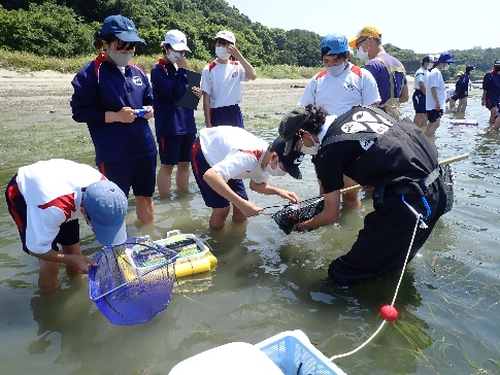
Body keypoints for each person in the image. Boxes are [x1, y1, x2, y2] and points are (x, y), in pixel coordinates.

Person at [278, 105, 446, 286]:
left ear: (303, 134)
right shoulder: (360, 111)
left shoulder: (327, 152)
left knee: (341, 274)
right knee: (395, 262)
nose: (301, 150)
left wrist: (301, 226)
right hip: (437, 188)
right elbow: (391, 145)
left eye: (297, 146)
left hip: (409, 204)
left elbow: (331, 215)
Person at [70, 14, 157, 224]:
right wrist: (115, 116)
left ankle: (147, 238)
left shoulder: (137, 70)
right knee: (113, 203)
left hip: (145, 149)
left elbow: (150, 99)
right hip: (113, 154)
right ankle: (116, 248)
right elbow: (80, 112)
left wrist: (150, 109)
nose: (127, 53)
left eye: (131, 48)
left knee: (146, 197)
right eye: (121, 48)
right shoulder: (90, 73)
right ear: (105, 43)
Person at [5, 159, 128, 290]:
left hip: (61, 189)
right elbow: (35, 250)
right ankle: (51, 302)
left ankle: (75, 288)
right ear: (83, 211)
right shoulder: (52, 209)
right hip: (26, 194)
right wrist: (71, 260)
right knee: (50, 265)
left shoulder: (108, 193)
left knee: (74, 250)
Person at [299, 33, 380, 208]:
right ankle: (326, 228)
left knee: (350, 195)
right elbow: (303, 110)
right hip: (323, 146)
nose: (331, 66)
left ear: (346, 56)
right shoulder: (317, 80)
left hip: (352, 144)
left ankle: (351, 229)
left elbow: (373, 114)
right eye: (326, 62)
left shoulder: (362, 76)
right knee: (325, 192)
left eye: (336, 61)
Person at [191, 126, 303, 229]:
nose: (285, 173)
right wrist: (242, 204)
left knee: (241, 208)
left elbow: (255, 185)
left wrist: (280, 192)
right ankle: (216, 242)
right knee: (222, 209)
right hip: (205, 150)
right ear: (274, 157)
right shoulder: (247, 158)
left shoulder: (266, 162)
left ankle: (236, 236)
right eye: (285, 168)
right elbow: (210, 176)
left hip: (228, 154)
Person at [151, 29, 201, 198]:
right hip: (170, 126)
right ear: (166, 47)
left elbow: (185, 94)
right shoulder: (158, 70)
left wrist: (197, 94)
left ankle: (182, 196)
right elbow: (174, 93)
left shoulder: (181, 70)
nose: (180, 54)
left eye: (182, 51)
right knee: (167, 166)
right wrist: (182, 72)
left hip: (187, 123)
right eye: (177, 50)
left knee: (185, 164)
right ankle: (165, 199)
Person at [349, 25, 409, 120]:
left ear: (369, 41)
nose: (357, 49)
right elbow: (405, 97)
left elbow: (359, 98)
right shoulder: (399, 64)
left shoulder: (372, 66)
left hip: (377, 121)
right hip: (395, 122)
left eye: (358, 45)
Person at [201, 30, 257, 128]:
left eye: (226, 45)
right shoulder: (208, 69)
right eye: (220, 44)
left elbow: (253, 75)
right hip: (217, 112)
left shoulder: (237, 65)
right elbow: (206, 98)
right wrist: (208, 123)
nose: (223, 48)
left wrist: (238, 56)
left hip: (234, 111)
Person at [425, 52, 454, 136]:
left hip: (434, 104)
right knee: (436, 123)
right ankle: (428, 141)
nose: (448, 65)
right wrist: (437, 102)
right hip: (434, 105)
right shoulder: (436, 73)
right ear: (442, 63)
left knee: (431, 123)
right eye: (447, 63)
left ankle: (425, 138)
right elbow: (433, 88)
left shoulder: (436, 72)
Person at [412, 55, 431, 127]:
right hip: (419, 94)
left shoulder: (428, 72)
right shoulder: (420, 72)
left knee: (426, 114)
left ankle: (423, 130)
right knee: (419, 114)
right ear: (426, 62)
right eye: (430, 62)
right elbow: (422, 86)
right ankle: (414, 130)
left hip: (427, 94)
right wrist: (428, 95)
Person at [481, 60, 500, 125]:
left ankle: (494, 128)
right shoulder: (489, 75)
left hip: (497, 97)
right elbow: (485, 88)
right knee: (494, 113)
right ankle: (491, 128)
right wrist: (483, 99)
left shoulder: (499, 76)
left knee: (497, 114)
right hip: (490, 96)